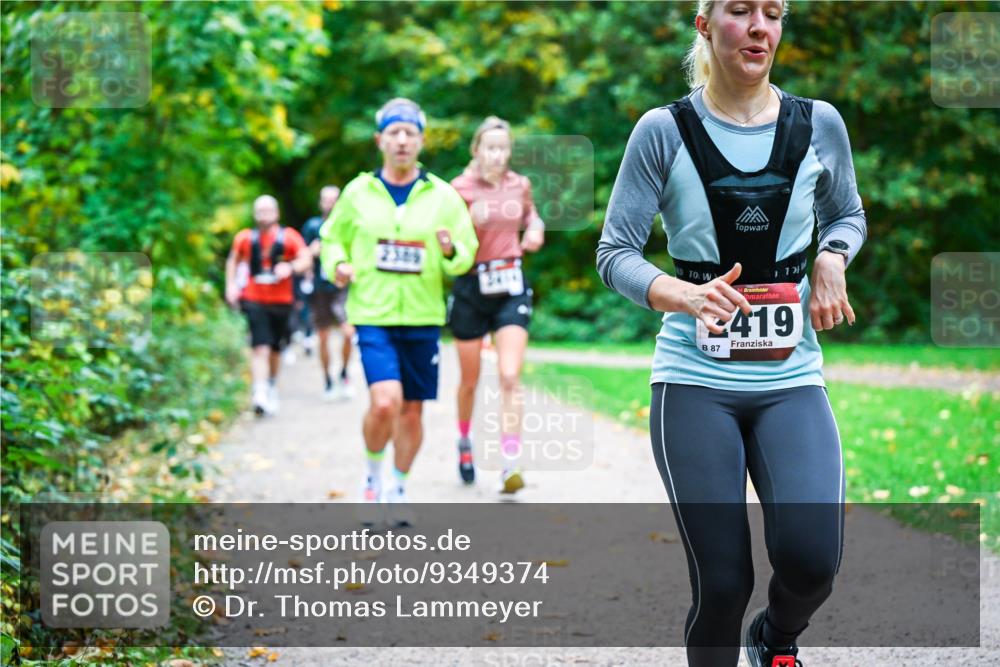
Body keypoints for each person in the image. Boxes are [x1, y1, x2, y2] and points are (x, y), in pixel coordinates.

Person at [596, 1, 866, 666]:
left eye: (773, 13)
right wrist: (681, 293)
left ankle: (774, 639)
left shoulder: (818, 124)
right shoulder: (663, 130)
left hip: (790, 378)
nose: (759, 27)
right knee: (722, 584)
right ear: (704, 25)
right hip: (693, 380)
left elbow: (848, 213)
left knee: (812, 562)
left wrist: (832, 255)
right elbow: (615, 251)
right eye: (740, 10)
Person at [320, 98, 478, 526]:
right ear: (380, 140)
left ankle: (398, 484)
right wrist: (338, 265)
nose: (402, 140)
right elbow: (331, 239)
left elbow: (465, 255)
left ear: (421, 140)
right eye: (394, 133)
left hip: (423, 316)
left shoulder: (443, 196)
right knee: (385, 403)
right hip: (373, 311)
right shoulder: (358, 192)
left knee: (412, 411)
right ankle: (371, 479)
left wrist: (450, 249)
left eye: (410, 133)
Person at [449, 116, 545, 492]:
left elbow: (530, 214)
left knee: (509, 376)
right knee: (469, 381)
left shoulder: (519, 184)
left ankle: (509, 462)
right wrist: (466, 223)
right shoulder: (458, 189)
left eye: (503, 148)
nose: (497, 154)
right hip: (471, 287)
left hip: (510, 285)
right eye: (490, 147)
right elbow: (447, 243)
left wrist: (535, 228)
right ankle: (464, 440)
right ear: (477, 150)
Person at [225, 195, 313, 416]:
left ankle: (271, 384)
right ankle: (259, 392)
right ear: (255, 214)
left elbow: (306, 259)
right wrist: (231, 286)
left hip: (282, 302)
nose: (264, 215)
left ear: (276, 213)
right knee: (259, 347)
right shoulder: (244, 238)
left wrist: (290, 268)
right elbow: (233, 261)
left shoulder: (289, 237)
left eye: (268, 211)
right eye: (260, 211)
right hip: (254, 300)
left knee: (275, 348)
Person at [301, 185, 357, 401]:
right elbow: (301, 255)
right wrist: (311, 253)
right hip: (319, 289)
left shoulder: (349, 226)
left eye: (335, 199)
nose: (331, 203)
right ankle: (327, 380)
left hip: (341, 288)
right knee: (322, 337)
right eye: (327, 199)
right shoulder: (312, 227)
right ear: (320, 202)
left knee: (349, 333)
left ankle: (344, 373)